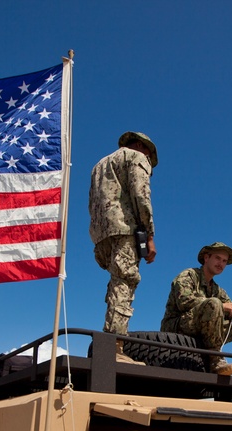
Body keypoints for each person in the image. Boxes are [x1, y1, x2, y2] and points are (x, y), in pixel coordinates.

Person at [89, 131, 159, 364]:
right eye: (148, 154)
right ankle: (115, 347)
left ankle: (111, 338)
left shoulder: (99, 164)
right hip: (125, 229)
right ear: (140, 145)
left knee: (116, 283)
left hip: (101, 234)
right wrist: (149, 235)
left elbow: (92, 201)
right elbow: (141, 195)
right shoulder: (135, 157)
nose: (148, 160)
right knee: (125, 282)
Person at [159, 242, 232, 376]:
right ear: (206, 258)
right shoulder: (188, 275)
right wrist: (222, 306)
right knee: (214, 304)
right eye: (217, 258)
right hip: (177, 326)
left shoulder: (217, 289)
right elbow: (184, 301)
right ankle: (215, 359)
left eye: (224, 261)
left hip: (204, 329)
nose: (221, 264)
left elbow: (229, 308)